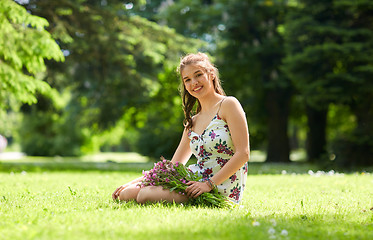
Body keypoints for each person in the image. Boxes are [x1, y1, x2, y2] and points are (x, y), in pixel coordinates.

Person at [112, 53, 249, 204]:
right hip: (195, 180)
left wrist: (208, 185)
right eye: (187, 80)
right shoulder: (193, 121)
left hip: (220, 186)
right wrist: (134, 182)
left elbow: (243, 153)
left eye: (198, 75)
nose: (194, 83)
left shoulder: (229, 105)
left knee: (145, 195)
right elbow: (173, 166)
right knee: (127, 193)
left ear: (211, 74)